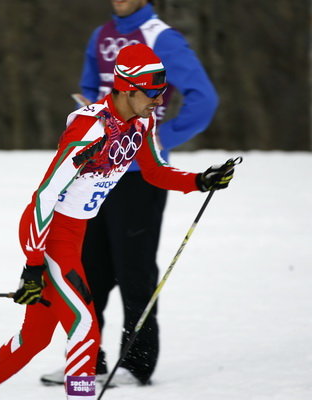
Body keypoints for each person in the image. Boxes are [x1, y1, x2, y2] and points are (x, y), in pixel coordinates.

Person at [0, 44, 234, 400]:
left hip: (77, 236)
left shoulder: (141, 121)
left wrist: (199, 181)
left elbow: (155, 171)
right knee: (85, 328)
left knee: (33, 340)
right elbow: (44, 197)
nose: (160, 100)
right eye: (153, 92)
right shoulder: (90, 128)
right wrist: (33, 265)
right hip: (52, 238)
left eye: (163, 91)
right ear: (128, 88)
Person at [40, 0, 219, 387]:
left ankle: (136, 364)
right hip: (100, 170)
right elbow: (89, 88)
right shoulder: (101, 34)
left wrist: (156, 140)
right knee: (90, 268)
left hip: (141, 178)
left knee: (134, 268)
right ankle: (88, 360)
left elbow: (204, 100)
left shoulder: (162, 38)